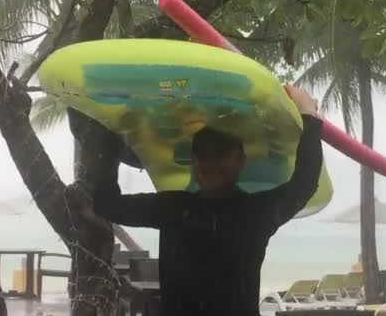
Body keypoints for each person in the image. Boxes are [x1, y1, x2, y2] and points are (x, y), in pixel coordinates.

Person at [90, 86, 322, 315]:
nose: (210, 162)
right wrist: (111, 131)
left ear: (240, 160)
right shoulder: (172, 208)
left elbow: (304, 183)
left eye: (220, 153)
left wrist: (309, 117)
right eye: (203, 153)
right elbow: (107, 204)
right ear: (193, 161)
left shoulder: (255, 213)